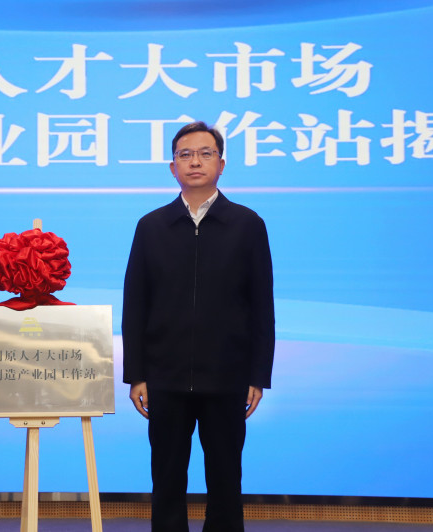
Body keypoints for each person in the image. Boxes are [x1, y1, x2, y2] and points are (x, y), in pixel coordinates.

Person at [122, 121, 275, 532]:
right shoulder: (151, 226)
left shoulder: (247, 224)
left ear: (221, 164)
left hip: (227, 377)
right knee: (166, 479)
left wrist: (258, 375)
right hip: (165, 377)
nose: (195, 162)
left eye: (205, 154)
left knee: (226, 479)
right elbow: (135, 305)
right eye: (185, 154)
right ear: (172, 167)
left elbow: (262, 306)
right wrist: (137, 374)